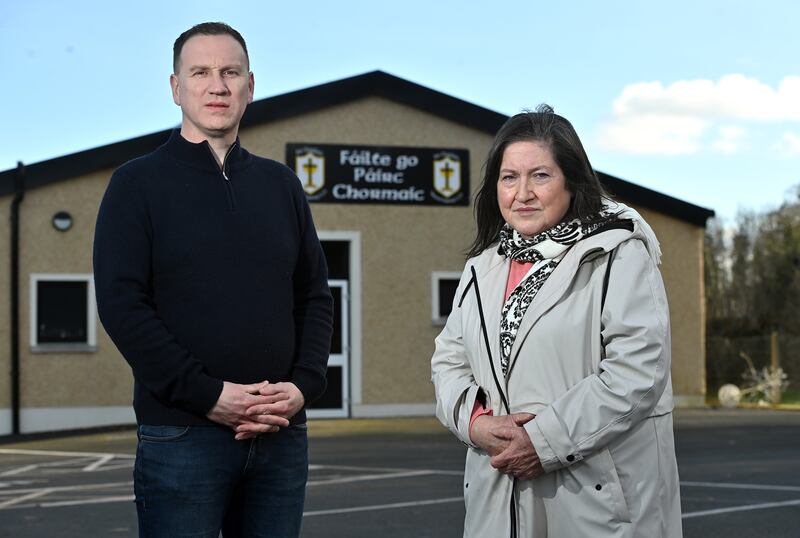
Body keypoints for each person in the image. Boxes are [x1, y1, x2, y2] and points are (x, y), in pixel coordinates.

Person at [93, 22, 333, 537]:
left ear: (251, 84)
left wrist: (302, 387)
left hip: (280, 433)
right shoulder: (136, 184)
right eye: (200, 72)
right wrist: (207, 395)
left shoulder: (282, 185)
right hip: (183, 437)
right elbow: (122, 306)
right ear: (176, 87)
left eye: (230, 72)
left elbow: (314, 296)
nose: (217, 85)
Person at [431, 105, 682, 537]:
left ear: (571, 181)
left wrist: (543, 442)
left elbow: (637, 371)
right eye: (509, 177)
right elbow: (449, 361)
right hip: (498, 498)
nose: (522, 192)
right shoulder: (482, 268)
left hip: (596, 501)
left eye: (540, 176)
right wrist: (476, 424)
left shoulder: (618, 254)